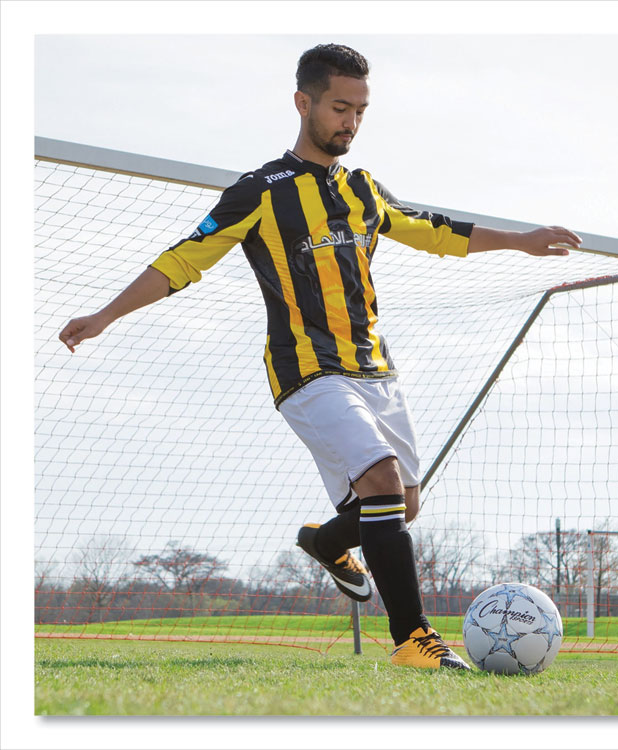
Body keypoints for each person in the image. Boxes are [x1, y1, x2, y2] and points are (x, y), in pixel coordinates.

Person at [59, 43, 582, 670]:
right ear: (303, 103)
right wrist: (106, 315)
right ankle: (414, 641)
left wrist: (521, 241)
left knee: (403, 503)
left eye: (360, 110)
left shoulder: (364, 189)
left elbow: (436, 231)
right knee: (382, 481)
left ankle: (328, 542)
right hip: (307, 371)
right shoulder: (260, 191)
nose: (351, 122)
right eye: (340, 108)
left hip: (375, 369)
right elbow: (181, 260)